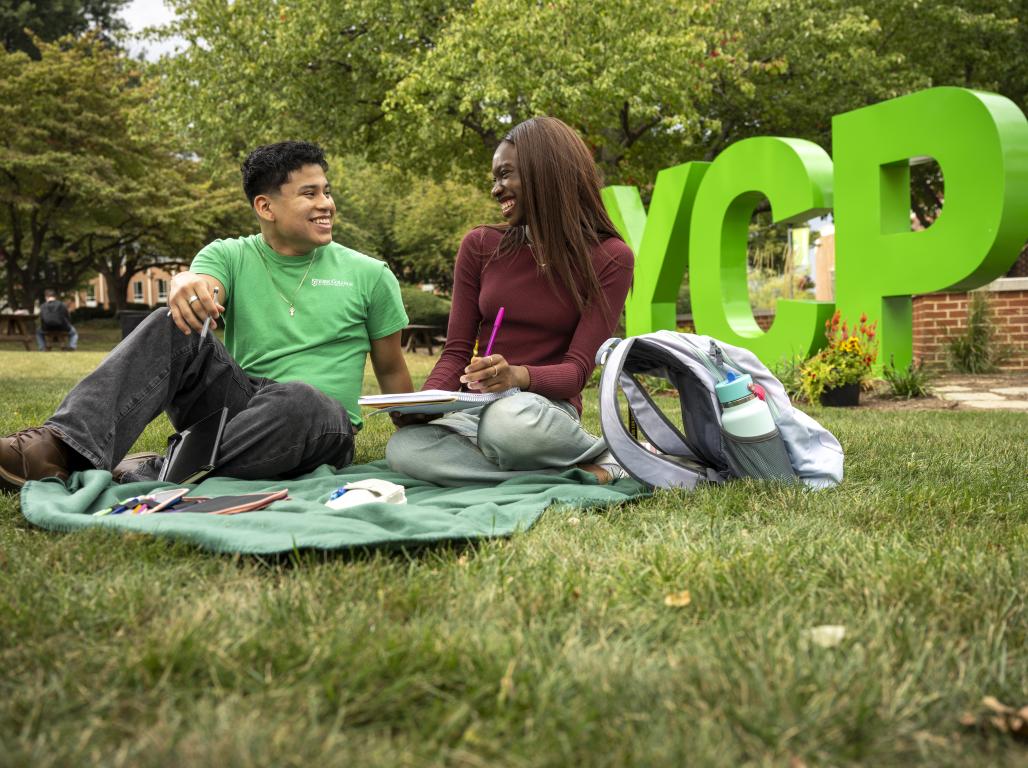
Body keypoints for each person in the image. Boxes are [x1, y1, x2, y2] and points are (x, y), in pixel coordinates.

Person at [0, 141, 413, 491]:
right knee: (171, 321)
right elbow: (204, 287)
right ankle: (57, 450)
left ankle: (158, 470)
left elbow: (393, 370)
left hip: (320, 425)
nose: (327, 204)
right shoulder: (229, 254)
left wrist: (413, 440)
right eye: (310, 194)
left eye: (327, 191)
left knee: (301, 397)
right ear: (266, 207)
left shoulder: (369, 274)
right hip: (234, 405)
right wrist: (186, 285)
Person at [386, 117, 634, 486]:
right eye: (494, 179)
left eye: (505, 175)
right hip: (474, 408)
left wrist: (516, 376)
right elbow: (456, 353)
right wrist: (425, 403)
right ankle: (569, 474)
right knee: (405, 448)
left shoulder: (610, 257)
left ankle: (604, 454)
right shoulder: (480, 246)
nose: (495, 189)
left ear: (544, 173)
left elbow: (576, 373)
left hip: (537, 410)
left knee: (509, 427)